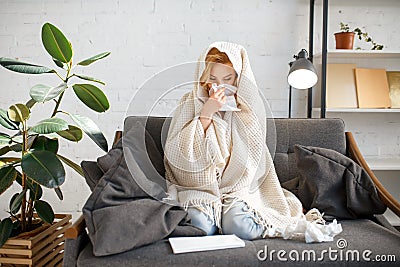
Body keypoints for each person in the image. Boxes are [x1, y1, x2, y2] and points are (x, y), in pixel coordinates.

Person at [163, 42, 342, 242]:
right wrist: (207, 113)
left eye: (227, 79)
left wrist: (231, 187)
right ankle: (213, 216)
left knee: (238, 225)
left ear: (239, 79)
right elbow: (178, 154)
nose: (218, 86)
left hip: (239, 188)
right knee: (200, 226)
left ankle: (229, 217)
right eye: (212, 79)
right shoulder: (189, 103)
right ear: (204, 77)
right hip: (198, 189)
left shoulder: (249, 108)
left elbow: (251, 157)